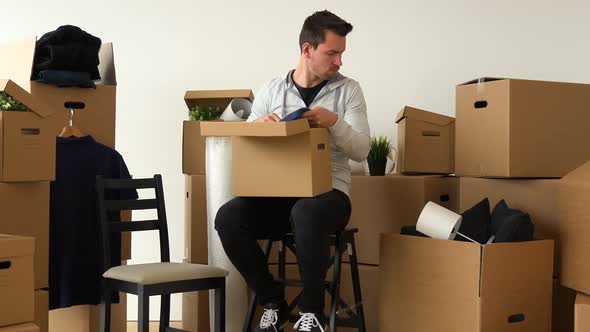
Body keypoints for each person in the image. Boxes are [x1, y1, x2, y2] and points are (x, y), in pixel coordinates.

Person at [215, 9, 370, 332]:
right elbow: (245, 143)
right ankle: (272, 300)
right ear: (307, 50)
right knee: (228, 217)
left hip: (329, 196)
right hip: (278, 196)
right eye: (332, 53)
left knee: (306, 212)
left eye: (341, 54)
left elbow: (361, 150)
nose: (339, 61)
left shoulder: (349, 91)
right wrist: (257, 126)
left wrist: (334, 122)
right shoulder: (271, 90)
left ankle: (311, 314)